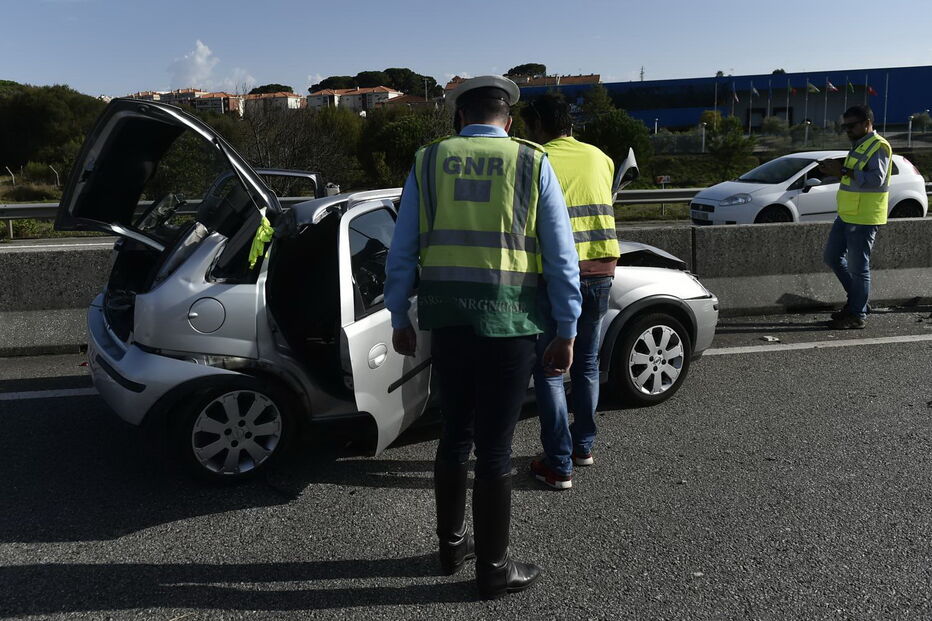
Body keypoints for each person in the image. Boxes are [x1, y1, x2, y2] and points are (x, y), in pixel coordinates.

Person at [384, 76, 581, 599]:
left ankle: (452, 548)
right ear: (508, 119)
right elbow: (560, 257)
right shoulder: (531, 161)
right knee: (494, 449)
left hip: (447, 319)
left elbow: (402, 246)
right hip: (510, 323)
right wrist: (567, 327)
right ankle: (492, 569)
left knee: (453, 437)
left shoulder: (428, 161)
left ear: (458, 117)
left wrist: (397, 314)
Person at [520, 93, 619, 490]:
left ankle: (558, 463)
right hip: (602, 268)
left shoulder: (535, 158)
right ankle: (584, 447)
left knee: (550, 369)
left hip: (555, 274)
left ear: (539, 125)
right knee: (588, 362)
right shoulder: (601, 157)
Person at [818, 105, 892, 330]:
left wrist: (841, 171)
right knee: (832, 257)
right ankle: (859, 301)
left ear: (867, 123)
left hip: (865, 217)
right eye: (845, 126)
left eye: (852, 125)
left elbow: (876, 179)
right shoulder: (858, 146)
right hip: (848, 214)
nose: (847, 130)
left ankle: (857, 313)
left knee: (859, 267)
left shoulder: (878, 146)